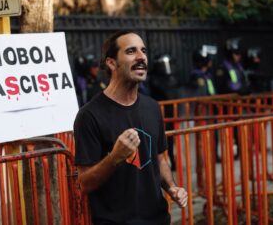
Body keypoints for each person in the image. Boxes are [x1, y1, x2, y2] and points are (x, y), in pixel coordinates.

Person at [74, 30, 188, 225]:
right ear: (111, 63)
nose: (141, 57)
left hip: (158, 219)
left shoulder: (152, 107)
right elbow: (84, 183)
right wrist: (115, 157)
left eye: (143, 51)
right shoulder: (89, 116)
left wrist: (172, 187)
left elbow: (159, 161)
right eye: (131, 51)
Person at [149, 54, 179, 171]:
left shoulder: (171, 78)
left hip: (170, 113)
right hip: (158, 115)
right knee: (158, 140)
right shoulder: (154, 79)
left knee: (170, 139)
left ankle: (171, 159)